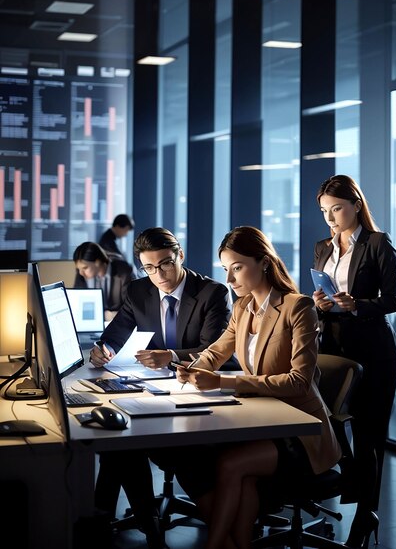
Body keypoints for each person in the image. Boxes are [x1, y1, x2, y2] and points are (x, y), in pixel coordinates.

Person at [174, 225, 341, 549]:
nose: (230, 279)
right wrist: (194, 368)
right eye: (226, 269)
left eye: (237, 268)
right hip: (265, 424)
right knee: (233, 470)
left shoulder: (298, 307)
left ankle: (216, 545)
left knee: (231, 464)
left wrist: (222, 381)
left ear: (263, 262)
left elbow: (299, 380)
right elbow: (217, 350)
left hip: (302, 433)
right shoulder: (243, 308)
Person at [88, 227, 232, 548]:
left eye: (165, 264)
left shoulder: (213, 293)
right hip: (156, 391)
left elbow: (214, 351)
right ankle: (143, 525)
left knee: (121, 444)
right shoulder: (138, 290)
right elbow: (118, 330)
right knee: (119, 440)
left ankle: (109, 522)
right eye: (149, 268)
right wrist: (105, 349)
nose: (159, 275)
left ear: (180, 256)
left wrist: (170, 356)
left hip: (197, 390)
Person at [313, 174, 396, 549]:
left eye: (336, 209)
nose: (330, 218)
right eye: (324, 211)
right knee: (331, 423)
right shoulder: (322, 247)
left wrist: (357, 305)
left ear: (355, 206)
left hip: (372, 348)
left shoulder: (378, 244)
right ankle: (351, 488)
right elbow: (322, 292)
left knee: (369, 436)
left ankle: (366, 515)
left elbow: (392, 301)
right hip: (333, 347)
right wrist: (319, 302)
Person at [73, 241, 134, 321]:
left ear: (97, 262)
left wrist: (111, 315)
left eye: (85, 268)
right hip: (91, 321)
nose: (81, 273)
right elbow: (77, 303)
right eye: (78, 269)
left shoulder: (124, 272)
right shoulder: (82, 273)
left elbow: (131, 308)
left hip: (119, 322)